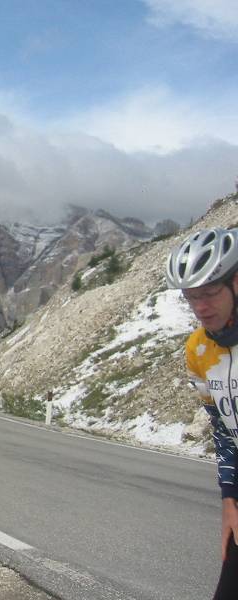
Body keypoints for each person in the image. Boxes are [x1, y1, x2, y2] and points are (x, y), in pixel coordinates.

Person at [167, 227, 238, 598]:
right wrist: (229, 499)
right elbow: (224, 431)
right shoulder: (197, 350)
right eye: (191, 298)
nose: (201, 307)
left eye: (209, 293)